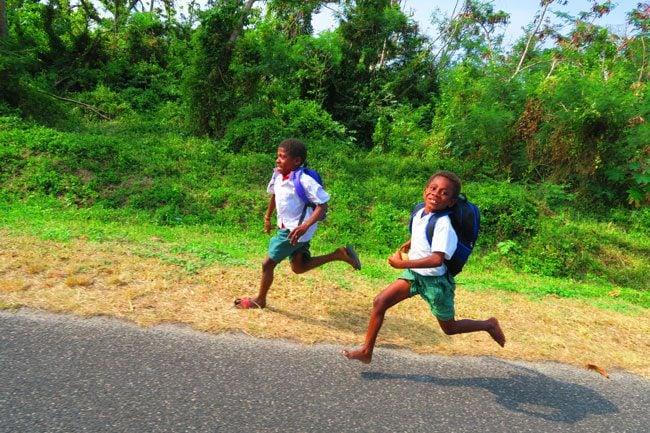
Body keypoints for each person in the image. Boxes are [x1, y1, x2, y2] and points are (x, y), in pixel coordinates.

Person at [341, 170, 505, 363]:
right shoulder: (420, 211)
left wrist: (402, 263)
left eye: (444, 193)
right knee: (380, 302)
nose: (436, 194)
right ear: (425, 190)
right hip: (414, 275)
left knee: (449, 328)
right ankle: (366, 351)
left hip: (435, 282)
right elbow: (424, 232)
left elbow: (436, 259)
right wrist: (410, 243)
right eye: (433, 188)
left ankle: (489, 325)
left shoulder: (444, 224)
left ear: (451, 202)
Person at [235, 138, 361, 309]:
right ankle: (338, 254)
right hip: (294, 229)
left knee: (267, 264)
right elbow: (275, 195)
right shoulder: (279, 176)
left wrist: (304, 226)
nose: (278, 160)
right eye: (277, 156)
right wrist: (267, 217)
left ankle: (260, 300)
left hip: (294, 231)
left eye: (283, 156)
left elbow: (322, 205)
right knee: (299, 267)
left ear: (296, 161)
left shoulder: (304, 180)